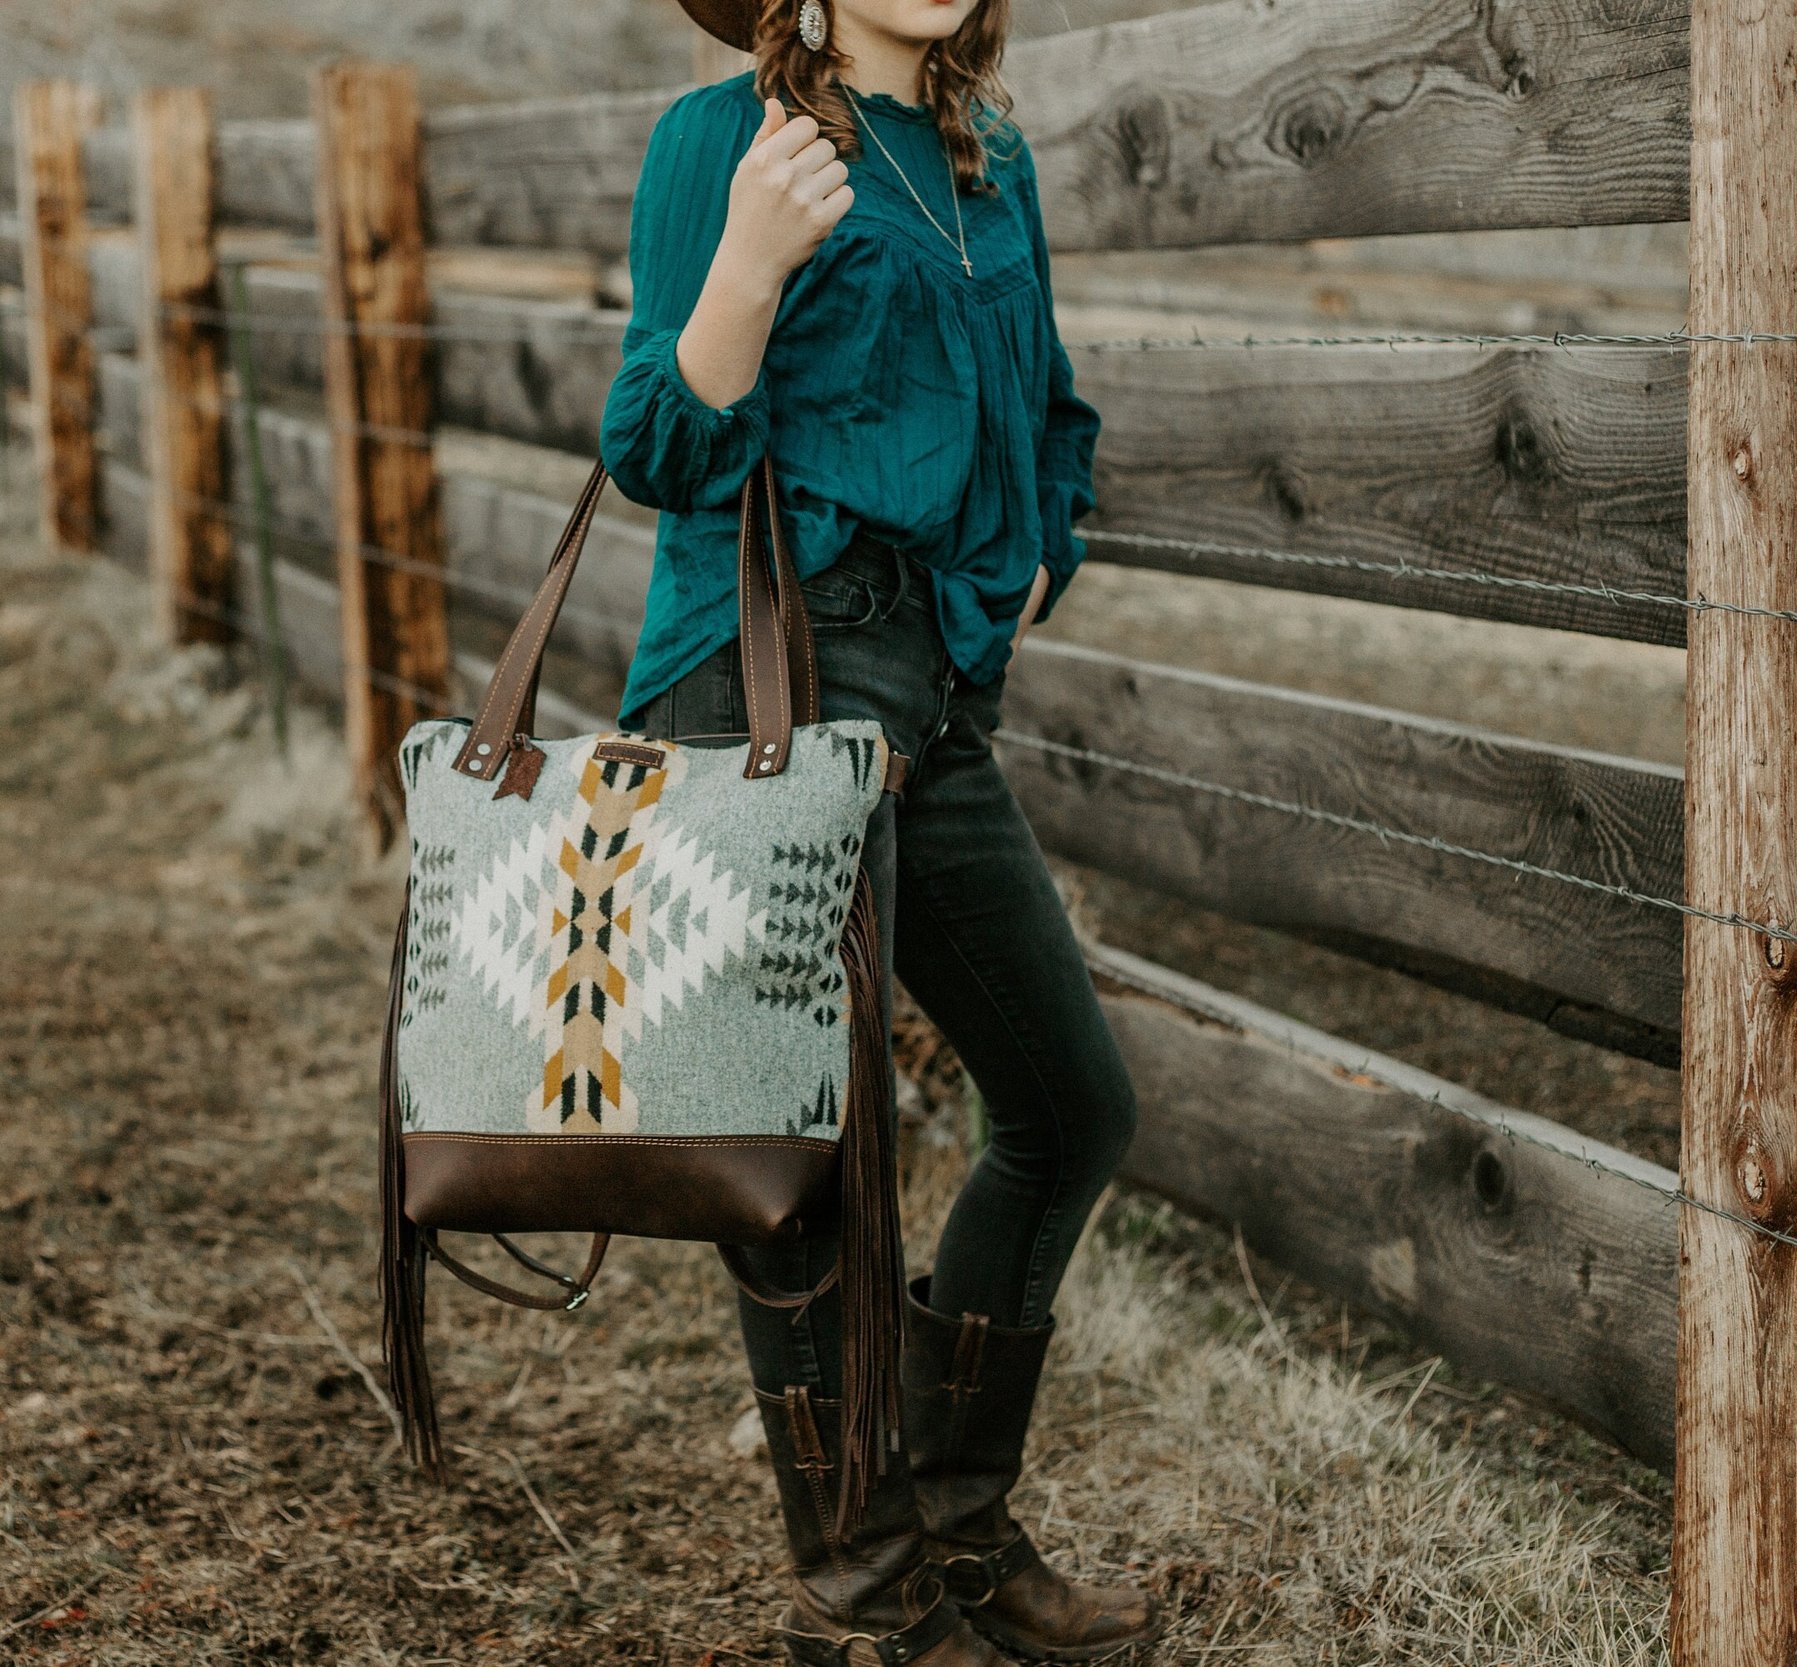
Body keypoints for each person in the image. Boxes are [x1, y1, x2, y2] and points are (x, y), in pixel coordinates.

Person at [601, 1, 1161, 1661]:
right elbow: (655, 442)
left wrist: (1037, 543)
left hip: (938, 691)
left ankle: (960, 1533)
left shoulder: (995, 164)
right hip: (768, 673)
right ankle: (866, 1597)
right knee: (815, 1169)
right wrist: (748, 265)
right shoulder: (724, 142)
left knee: (1071, 1105)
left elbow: (1048, 407)